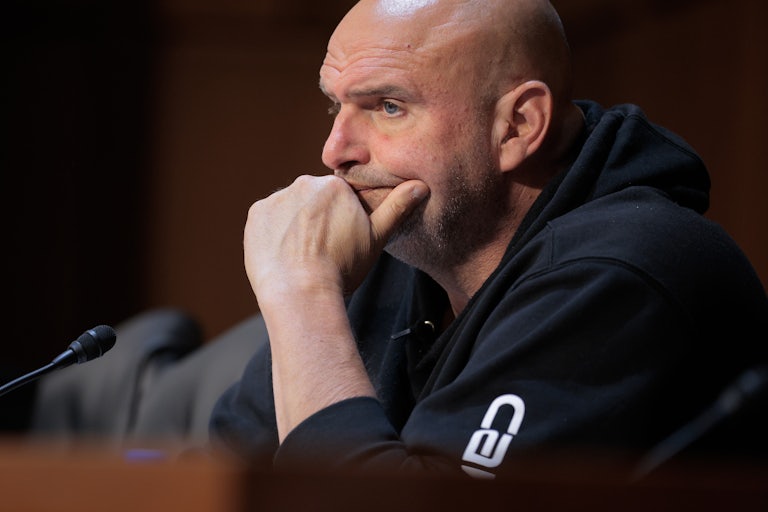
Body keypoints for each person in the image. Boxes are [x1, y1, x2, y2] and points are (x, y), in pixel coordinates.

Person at [209, 0, 768, 479]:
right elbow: (225, 470)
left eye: (388, 106)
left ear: (518, 126)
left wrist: (303, 295)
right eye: (338, 104)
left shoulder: (628, 273)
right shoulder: (403, 242)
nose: (336, 151)